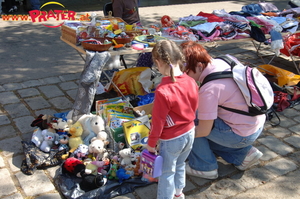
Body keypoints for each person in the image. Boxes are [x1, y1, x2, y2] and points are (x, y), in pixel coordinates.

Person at [180, 41, 265, 180]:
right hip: (255, 123)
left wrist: (174, 135)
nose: (185, 76)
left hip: (241, 134)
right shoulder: (225, 59)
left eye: (186, 71)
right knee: (203, 126)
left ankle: (204, 167)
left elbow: (203, 131)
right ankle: (243, 154)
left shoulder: (210, 89)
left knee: (188, 119)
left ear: (199, 66)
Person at [146, 40, 199, 199]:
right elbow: (195, 106)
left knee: (166, 173)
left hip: (172, 138)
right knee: (181, 164)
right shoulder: (191, 81)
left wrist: (151, 143)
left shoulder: (163, 90)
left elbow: (158, 121)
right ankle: (178, 193)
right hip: (190, 132)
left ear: (157, 62)